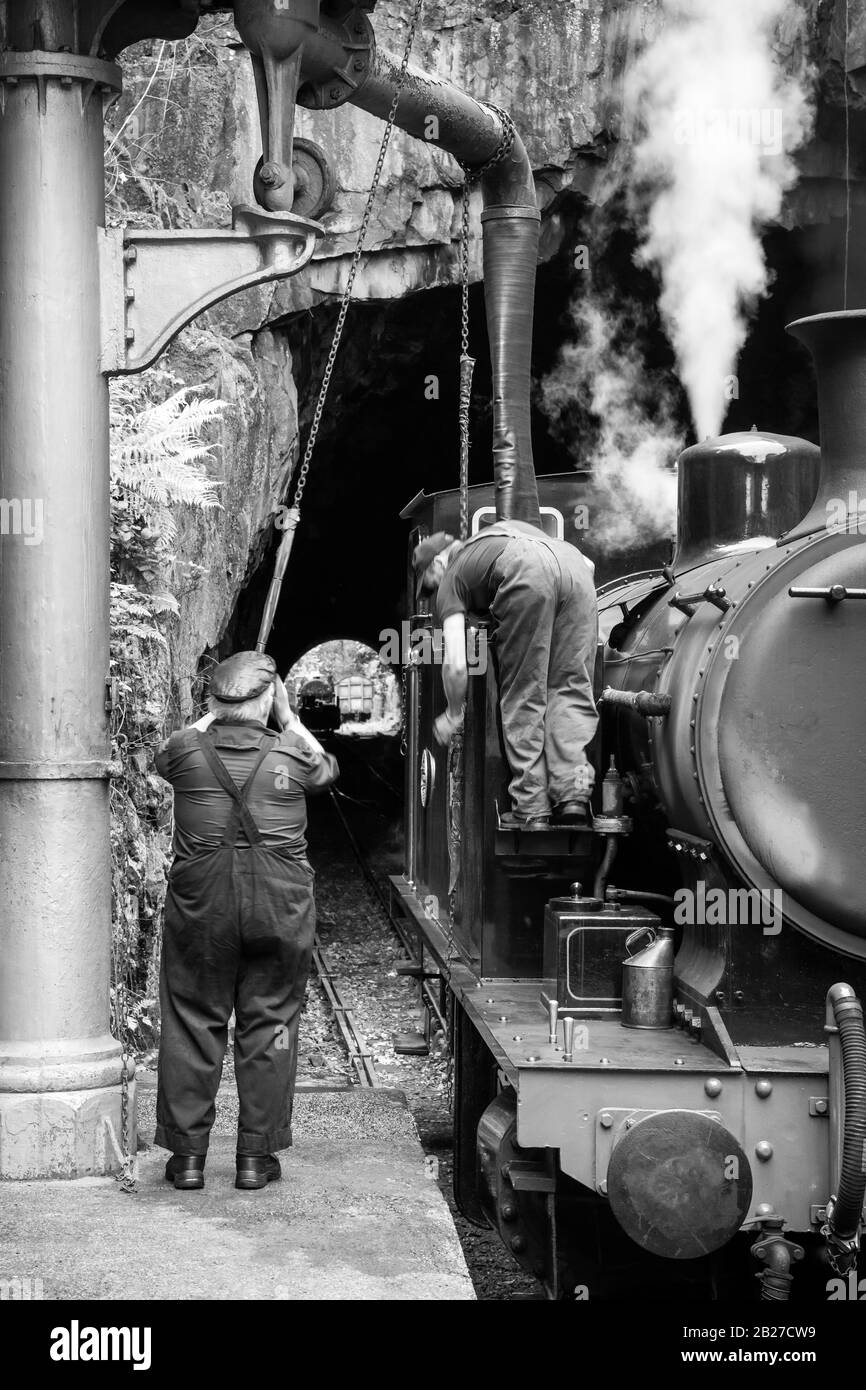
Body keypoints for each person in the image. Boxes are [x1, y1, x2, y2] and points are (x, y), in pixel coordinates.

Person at [153, 651, 338, 1191]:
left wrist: (213, 715)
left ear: (213, 702)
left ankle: (187, 1159)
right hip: (278, 906)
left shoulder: (187, 751)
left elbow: (166, 751)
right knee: (271, 1019)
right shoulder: (292, 753)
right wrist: (288, 715)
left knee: (192, 1017)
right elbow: (326, 769)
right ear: (267, 700)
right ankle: (255, 1159)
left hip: (200, 907)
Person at [414, 518, 598, 828]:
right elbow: (589, 564)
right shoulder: (501, 533)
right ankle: (573, 794)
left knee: (525, 693)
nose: (433, 590)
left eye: (429, 584)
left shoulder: (453, 577)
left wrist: (453, 712)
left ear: (435, 565)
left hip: (525, 573)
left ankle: (532, 807)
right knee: (570, 688)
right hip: (575, 568)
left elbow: (456, 663)